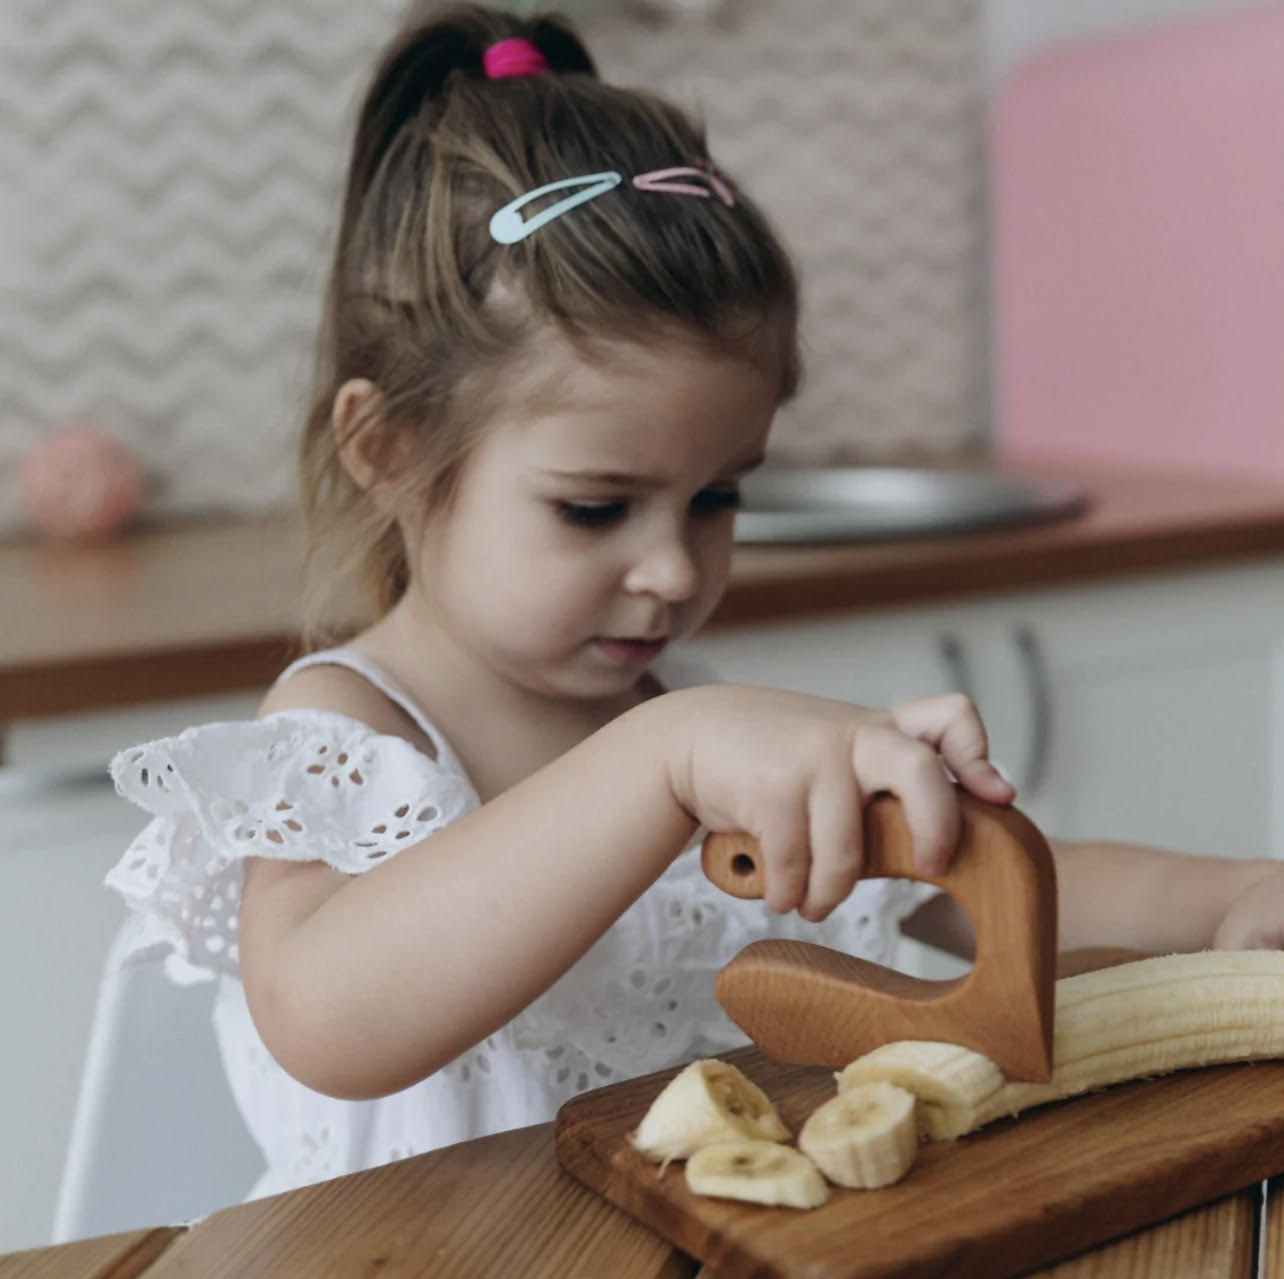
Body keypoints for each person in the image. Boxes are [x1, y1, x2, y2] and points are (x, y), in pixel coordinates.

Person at [105, 1, 1284, 1204]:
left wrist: (1223, 896)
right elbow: (330, 1018)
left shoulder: (689, 714)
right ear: (391, 449)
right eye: (595, 508)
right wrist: (660, 757)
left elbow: (966, 896)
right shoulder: (351, 731)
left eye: (716, 495)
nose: (674, 569)